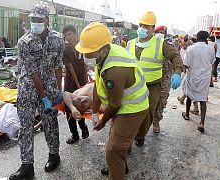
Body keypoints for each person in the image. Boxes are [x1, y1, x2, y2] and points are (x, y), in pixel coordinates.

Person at [75, 22, 149, 179]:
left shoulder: (115, 70)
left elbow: (115, 104)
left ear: (101, 50)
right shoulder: (104, 56)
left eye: (88, 53)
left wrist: (102, 121)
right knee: (116, 140)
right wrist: (94, 112)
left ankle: (117, 169)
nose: (85, 56)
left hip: (133, 109)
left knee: (113, 150)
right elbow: (97, 86)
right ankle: (121, 167)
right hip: (124, 106)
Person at [9, 4, 64, 179]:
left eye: (39, 19)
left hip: (49, 84)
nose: (35, 22)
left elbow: (58, 66)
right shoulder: (24, 42)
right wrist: (44, 98)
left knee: (50, 122)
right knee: (25, 125)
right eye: (33, 19)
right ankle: (27, 165)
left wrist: (57, 92)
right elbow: (32, 72)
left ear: (47, 19)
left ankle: (54, 155)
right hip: (28, 87)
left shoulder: (58, 39)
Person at [126, 12, 183, 146]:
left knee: (148, 113)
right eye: (141, 25)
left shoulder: (160, 43)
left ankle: (140, 135)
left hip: (152, 86)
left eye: (146, 26)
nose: (142, 28)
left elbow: (176, 57)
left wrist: (177, 72)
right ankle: (127, 140)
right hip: (132, 86)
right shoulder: (129, 43)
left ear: (153, 28)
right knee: (129, 113)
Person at [181, 31, 215, 133]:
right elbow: (211, 62)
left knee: (189, 96)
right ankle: (202, 122)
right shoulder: (211, 48)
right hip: (205, 77)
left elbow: (186, 64)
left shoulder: (191, 48)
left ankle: (187, 115)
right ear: (206, 39)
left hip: (193, 76)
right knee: (203, 99)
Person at [62, 25, 89, 144]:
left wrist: (85, 80)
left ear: (75, 33)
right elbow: (70, 68)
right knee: (69, 109)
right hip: (70, 82)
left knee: (81, 105)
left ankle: (83, 128)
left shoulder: (82, 46)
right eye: (66, 35)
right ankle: (74, 134)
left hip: (82, 80)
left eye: (69, 34)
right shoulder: (65, 50)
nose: (68, 37)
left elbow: (85, 63)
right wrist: (78, 84)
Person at [151, 26, 173, 133]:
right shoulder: (150, 46)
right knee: (148, 101)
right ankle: (144, 123)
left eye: (162, 32)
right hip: (152, 78)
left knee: (162, 100)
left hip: (165, 79)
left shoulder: (169, 46)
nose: (160, 34)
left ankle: (156, 121)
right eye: (158, 32)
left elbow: (174, 59)